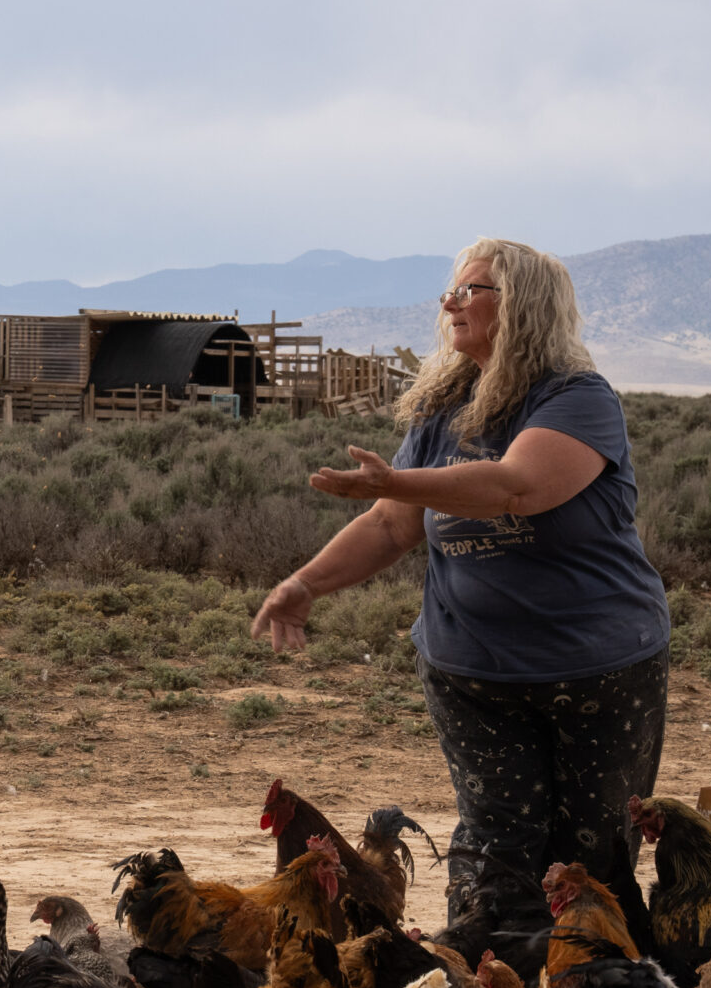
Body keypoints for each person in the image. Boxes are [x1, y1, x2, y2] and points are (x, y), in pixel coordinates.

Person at [252, 238, 669, 941]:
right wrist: (304, 584)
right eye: (453, 288)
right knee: (494, 851)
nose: (451, 300)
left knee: (591, 851)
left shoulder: (576, 399)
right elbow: (390, 526)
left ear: (525, 308)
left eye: (474, 289)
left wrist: (394, 479)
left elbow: (516, 486)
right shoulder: (445, 405)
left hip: (598, 672)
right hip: (474, 673)